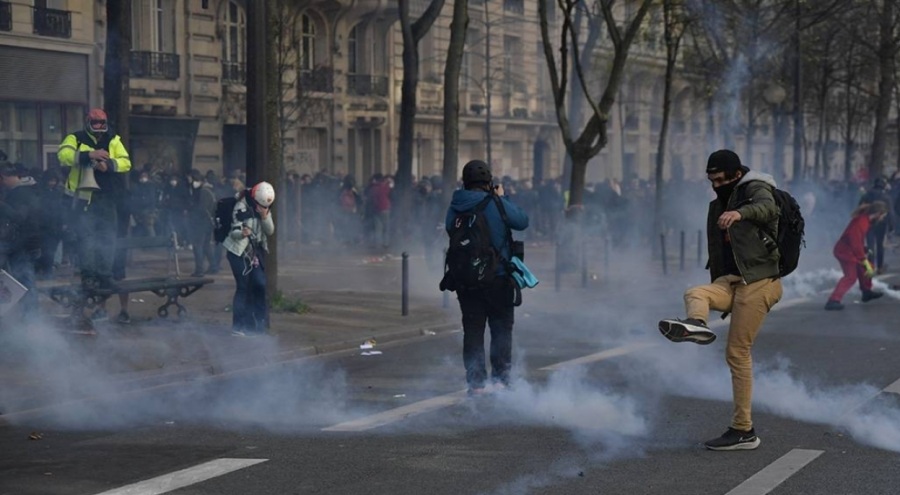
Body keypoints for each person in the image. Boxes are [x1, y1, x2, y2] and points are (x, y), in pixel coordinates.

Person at [658, 149, 782, 451]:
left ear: (736, 174)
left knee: (737, 353)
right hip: (732, 281)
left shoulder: (756, 188)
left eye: (720, 179)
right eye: (711, 180)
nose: (715, 185)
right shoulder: (716, 205)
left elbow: (768, 209)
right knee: (695, 293)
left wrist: (740, 213)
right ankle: (697, 324)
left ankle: (744, 431)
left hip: (759, 282)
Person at [443, 160, 529, 395]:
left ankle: (476, 384)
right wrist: (502, 198)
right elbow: (522, 221)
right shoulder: (495, 202)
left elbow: (450, 229)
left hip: (466, 281)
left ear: (465, 181)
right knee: (500, 329)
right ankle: (501, 381)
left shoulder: (455, 205)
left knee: (473, 331)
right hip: (498, 278)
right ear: (489, 181)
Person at [57, 109, 132, 309]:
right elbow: (63, 155)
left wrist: (110, 165)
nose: (99, 127)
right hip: (84, 197)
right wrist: (89, 154)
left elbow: (126, 162)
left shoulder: (113, 139)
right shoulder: (76, 137)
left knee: (108, 237)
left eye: (102, 123)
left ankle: (105, 275)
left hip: (107, 197)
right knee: (87, 238)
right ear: (88, 122)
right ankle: (88, 276)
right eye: (96, 123)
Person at [223, 181, 275, 336]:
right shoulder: (241, 206)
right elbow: (234, 232)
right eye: (260, 205)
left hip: (255, 252)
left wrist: (264, 216)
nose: (263, 208)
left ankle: (260, 323)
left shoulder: (264, 207)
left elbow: (270, 230)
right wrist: (242, 233)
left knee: (260, 284)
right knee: (243, 287)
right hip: (238, 252)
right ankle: (238, 326)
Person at [825, 201, 888, 310]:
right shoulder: (861, 222)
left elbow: (856, 241)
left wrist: (864, 250)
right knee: (851, 277)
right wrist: (863, 259)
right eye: (882, 216)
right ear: (878, 214)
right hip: (844, 252)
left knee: (868, 269)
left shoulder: (865, 221)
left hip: (850, 250)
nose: (882, 218)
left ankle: (866, 292)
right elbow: (855, 243)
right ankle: (833, 300)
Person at [859, 178, 894, 274]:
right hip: (881, 224)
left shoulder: (866, 195)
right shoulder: (886, 197)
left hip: (868, 222)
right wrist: (891, 227)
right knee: (880, 245)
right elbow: (890, 213)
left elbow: (860, 208)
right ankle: (880, 267)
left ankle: (870, 267)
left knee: (870, 245)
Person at [188, 169, 216, 277]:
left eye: (191, 179)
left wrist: (192, 211)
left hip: (201, 222)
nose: (190, 182)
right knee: (206, 245)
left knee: (197, 245)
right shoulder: (209, 190)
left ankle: (199, 270)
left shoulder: (203, 191)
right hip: (208, 222)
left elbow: (201, 208)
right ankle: (213, 266)